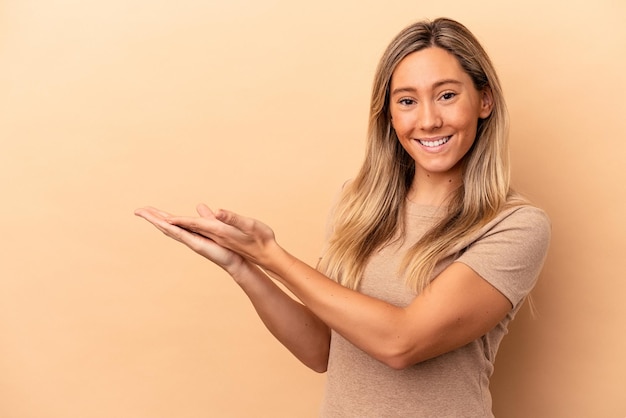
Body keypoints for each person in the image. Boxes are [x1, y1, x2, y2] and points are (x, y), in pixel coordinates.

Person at [135, 17, 550, 417]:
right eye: (407, 101)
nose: (428, 120)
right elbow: (320, 350)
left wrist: (271, 255)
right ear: (389, 115)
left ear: (484, 100)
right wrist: (242, 266)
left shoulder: (515, 226)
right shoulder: (357, 205)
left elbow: (401, 343)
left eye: (446, 95)